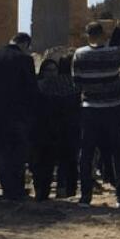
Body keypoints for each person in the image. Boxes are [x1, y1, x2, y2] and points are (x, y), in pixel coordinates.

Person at [72, 22, 120, 207]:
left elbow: (76, 82)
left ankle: (85, 196)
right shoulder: (113, 53)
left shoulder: (80, 54)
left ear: (87, 34)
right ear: (103, 34)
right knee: (118, 152)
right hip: (112, 108)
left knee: (87, 154)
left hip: (89, 108)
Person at [0, 32, 38, 200]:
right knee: (17, 154)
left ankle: (7, 188)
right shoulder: (24, 60)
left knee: (0, 153)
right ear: (25, 44)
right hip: (18, 116)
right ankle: (15, 190)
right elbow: (32, 90)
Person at [33, 58, 81, 201]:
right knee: (51, 162)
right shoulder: (70, 86)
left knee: (61, 161)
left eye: (54, 70)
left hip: (61, 129)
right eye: (49, 70)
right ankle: (52, 191)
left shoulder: (43, 86)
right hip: (47, 129)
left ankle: (56, 191)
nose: (52, 74)